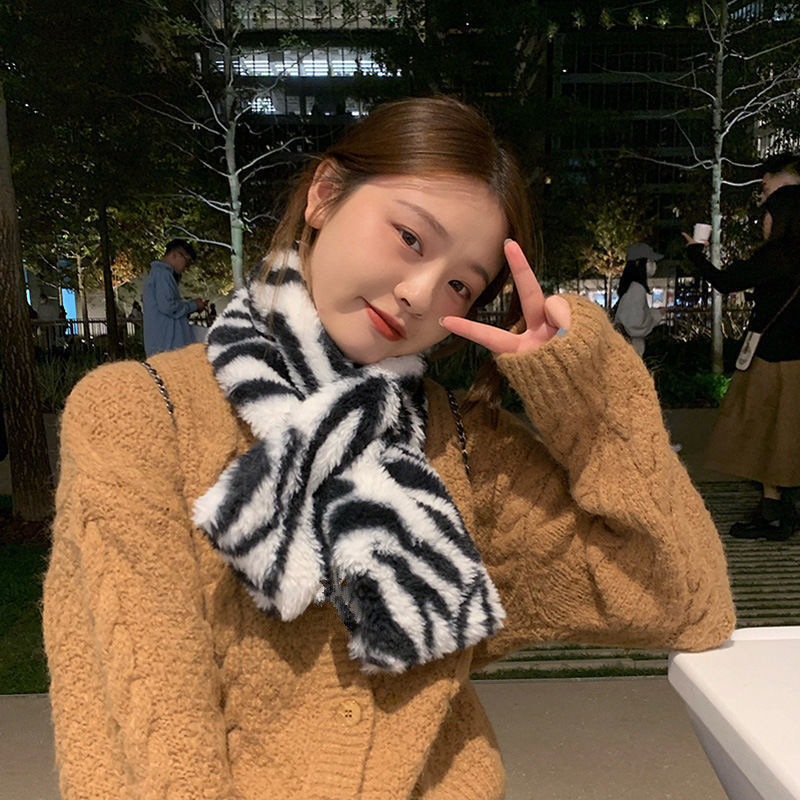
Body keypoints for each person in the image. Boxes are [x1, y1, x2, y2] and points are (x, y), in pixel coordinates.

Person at [43, 97, 735, 800]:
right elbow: (143, 744)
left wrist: (583, 392)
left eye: (461, 284)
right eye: (409, 237)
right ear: (324, 195)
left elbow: (683, 600)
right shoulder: (143, 416)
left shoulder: (465, 448)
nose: (420, 293)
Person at [682, 184, 800, 541]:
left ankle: (774, 514)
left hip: (774, 359)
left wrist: (695, 253)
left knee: (763, 432)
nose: (764, 222)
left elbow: (725, 282)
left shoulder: (778, 257)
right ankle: (782, 511)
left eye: (768, 214)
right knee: (788, 435)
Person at [142, 238, 206, 356]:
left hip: (164, 345)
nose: (186, 268)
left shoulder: (159, 274)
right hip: (168, 345)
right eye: (187, 262)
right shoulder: (163, 274)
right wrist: (194, 305)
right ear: (175, 255)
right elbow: (168, 306)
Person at [613, 242, 666, 357]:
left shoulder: (630, 287)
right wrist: (657, 315)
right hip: (632, 351)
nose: (653, 265)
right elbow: (636, 325)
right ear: (638, 263)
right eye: (649, 261)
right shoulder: (637, 289)